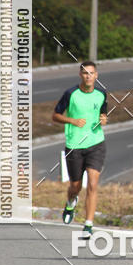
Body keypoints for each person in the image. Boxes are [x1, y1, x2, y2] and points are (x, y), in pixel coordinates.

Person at [52, 61, 108, 239]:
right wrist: (72, 121)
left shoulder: (101, 94)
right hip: (74, 145)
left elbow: (103, 113)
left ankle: (88, 224)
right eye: (85, 73)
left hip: (96, 143)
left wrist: (104, 119)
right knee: (75, 186)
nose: (88, 76)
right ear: (80, 75)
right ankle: (70, 203)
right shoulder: (70, 94)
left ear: (96, 75)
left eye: (91, 73)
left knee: (92, 184)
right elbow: (55, 115)